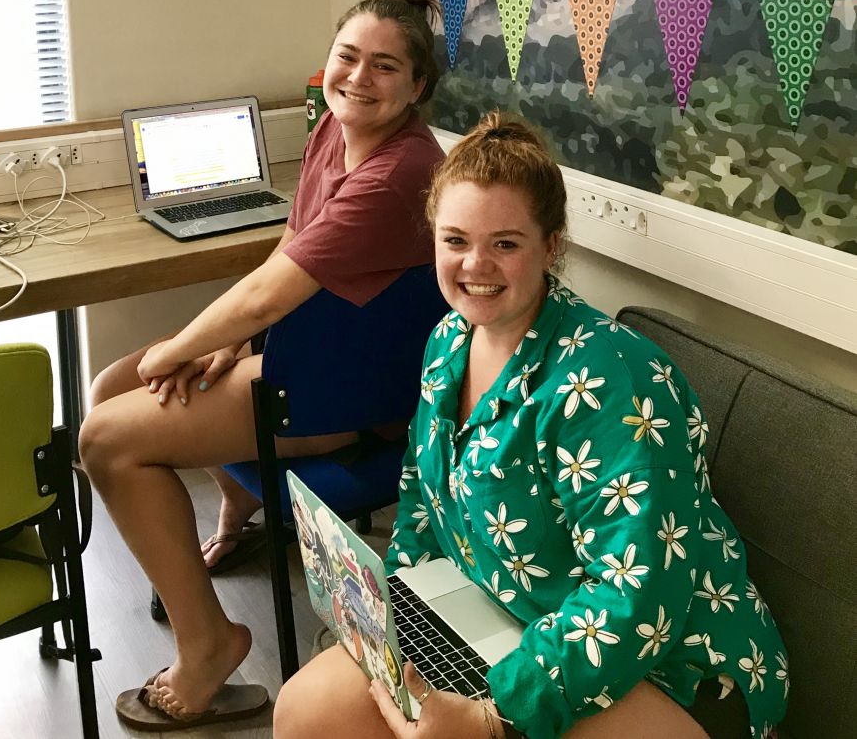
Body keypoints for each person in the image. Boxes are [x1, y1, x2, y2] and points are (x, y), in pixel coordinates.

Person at [273, 112, 788, 739]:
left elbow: (639, 595)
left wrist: (493, 717)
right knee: (306, 711)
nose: (475, 265)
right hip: (498, 614)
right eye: (455, 240)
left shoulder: (612, 378)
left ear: (551, 246)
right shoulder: (447, 343)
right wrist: (397, 615)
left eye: (506, 243)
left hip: (664, 659)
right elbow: (420, 501)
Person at [79, 0, 446, 728]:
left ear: (418, 86)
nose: (358, 78)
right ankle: (242, 504)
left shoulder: (399, 172)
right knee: (113, 381)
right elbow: (289, 251)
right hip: (306, 360)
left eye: (384, 67)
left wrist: (189, 346)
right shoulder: (331, 133)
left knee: (105, 439)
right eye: (348, 57)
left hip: (351, 395)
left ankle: (208, 644)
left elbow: (269, 296)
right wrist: (222, 343)